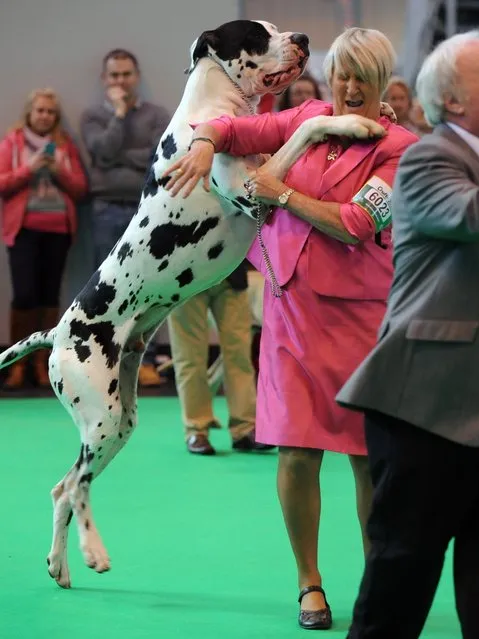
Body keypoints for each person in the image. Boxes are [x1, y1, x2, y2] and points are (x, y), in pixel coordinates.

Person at [163, 27, 417, 630]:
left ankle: (375, 581)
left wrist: (280, 192)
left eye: (363, 77)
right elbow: (236, 129)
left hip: (362, 322)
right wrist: (204, 141)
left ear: (383, 83)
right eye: (342, 75)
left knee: (364, 460)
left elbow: (357, 222)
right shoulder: (306, 116)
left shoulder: (400, 147)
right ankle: (310, 585)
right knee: (297, 453)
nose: (350, 87)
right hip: (288, 311)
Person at [337, 31, 479, 639]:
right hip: (426, 406)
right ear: (452, 102)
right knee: (399, 586)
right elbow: (471, 216)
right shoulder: (429, 158)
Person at [80, 48, 170, 387]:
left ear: (137, 76)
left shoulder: (157, 114)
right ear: (105, 80)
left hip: (147, 209)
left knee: (148, 283)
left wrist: (116, 158)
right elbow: (100, 151)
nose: (121, 81)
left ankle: (146, 360)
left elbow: (155, 155)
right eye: (114, 75)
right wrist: (118, 115)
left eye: (126, 74)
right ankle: (105, 359)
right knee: (107, 286)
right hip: (104, 210)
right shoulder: (91, 115)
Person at [0, 88, 87, 390]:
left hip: (58, 231)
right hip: (23, 230)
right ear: (30, 112)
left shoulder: (65, 146)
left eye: (50, 111)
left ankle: (43, 363)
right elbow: (2, 183)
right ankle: (17, 363)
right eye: (40, 110)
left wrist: (58, 171)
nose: (45, 116)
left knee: (50, 297)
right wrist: (29, 169)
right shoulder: (12, 143)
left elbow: (80, 188)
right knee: (24, 296)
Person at [167, 261, 274, 454]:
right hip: (184, 274)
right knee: (189, 357)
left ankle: (244, 428)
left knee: (240, 355)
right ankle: (196, 429)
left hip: (230, 274)